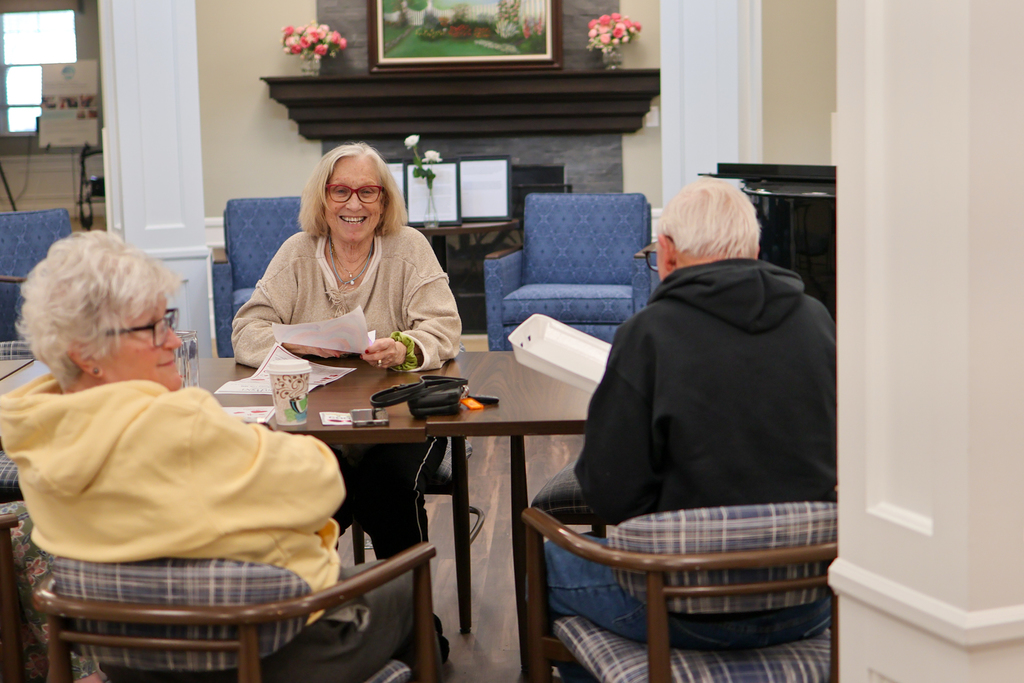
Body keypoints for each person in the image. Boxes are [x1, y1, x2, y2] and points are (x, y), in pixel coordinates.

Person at [0, 232, 424, 683]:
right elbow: (321, 484)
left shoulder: (36, 435)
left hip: (132, 662)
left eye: (168, 321)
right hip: (266, 650)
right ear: (86, 353)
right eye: (152, 329)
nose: (172, 342)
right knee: (408, 584)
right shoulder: (178, 425)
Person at [545, 177, 837, 683]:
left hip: (680, 610)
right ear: (755, 247)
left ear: (667, 252)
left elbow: (611, 495)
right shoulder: (817, 320)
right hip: (807, 602)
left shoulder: (648, 335)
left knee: (545, 564)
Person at [232, 142, 462, 561]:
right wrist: (291, 340)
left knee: (386, 489)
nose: (353, 204)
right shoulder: (297, 252)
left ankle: (414, 620)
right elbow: (246, 329)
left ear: (383, 201)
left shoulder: (409, 247)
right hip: (315, 424)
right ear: (323, 200)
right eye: (341, 191)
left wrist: (404, 347)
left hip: (400, 420)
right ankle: (315, 610)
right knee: (309, 490)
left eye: (367, 192)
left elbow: (444, 327)